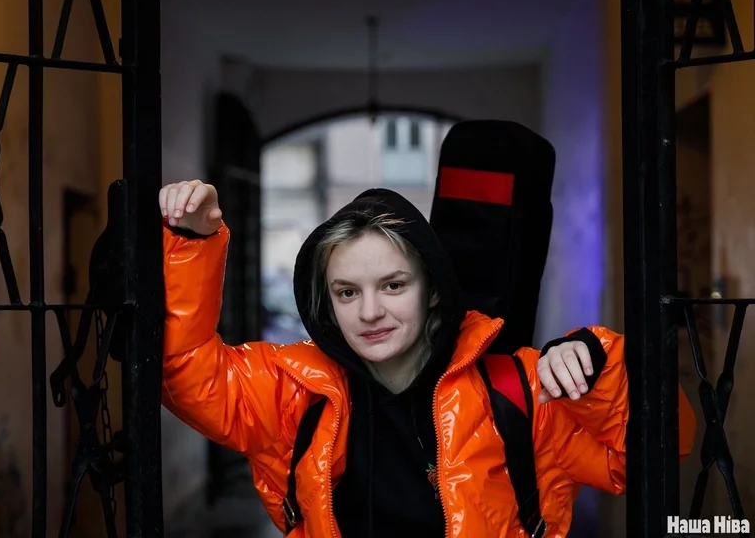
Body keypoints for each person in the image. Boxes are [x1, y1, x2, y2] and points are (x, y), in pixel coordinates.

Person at [159, 179, 696, 537]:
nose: (370, 311)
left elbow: (660, 446)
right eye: (347, 292)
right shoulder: (293, 392)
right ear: (327, 303)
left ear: (433, 289)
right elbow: (186, 374)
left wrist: (597, 364)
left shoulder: (520, 392)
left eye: (393, 285)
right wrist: (189, 241)